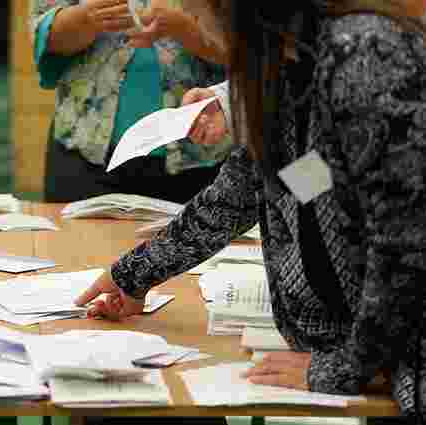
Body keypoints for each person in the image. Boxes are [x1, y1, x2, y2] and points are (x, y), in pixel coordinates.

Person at [76, 0, 426, 422]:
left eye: (197, 14)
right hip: (377, 356)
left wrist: (348, 367)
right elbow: (256, 185)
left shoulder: (364, 53)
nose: (198, 29)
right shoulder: (287, 61)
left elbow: (405, 241)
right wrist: (134, 276)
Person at [31, 0, 231, 204]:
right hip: (84, 149)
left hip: (204, 153)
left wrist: (184, 28)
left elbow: (247, 52)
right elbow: (42, 33)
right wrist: (85, 19)